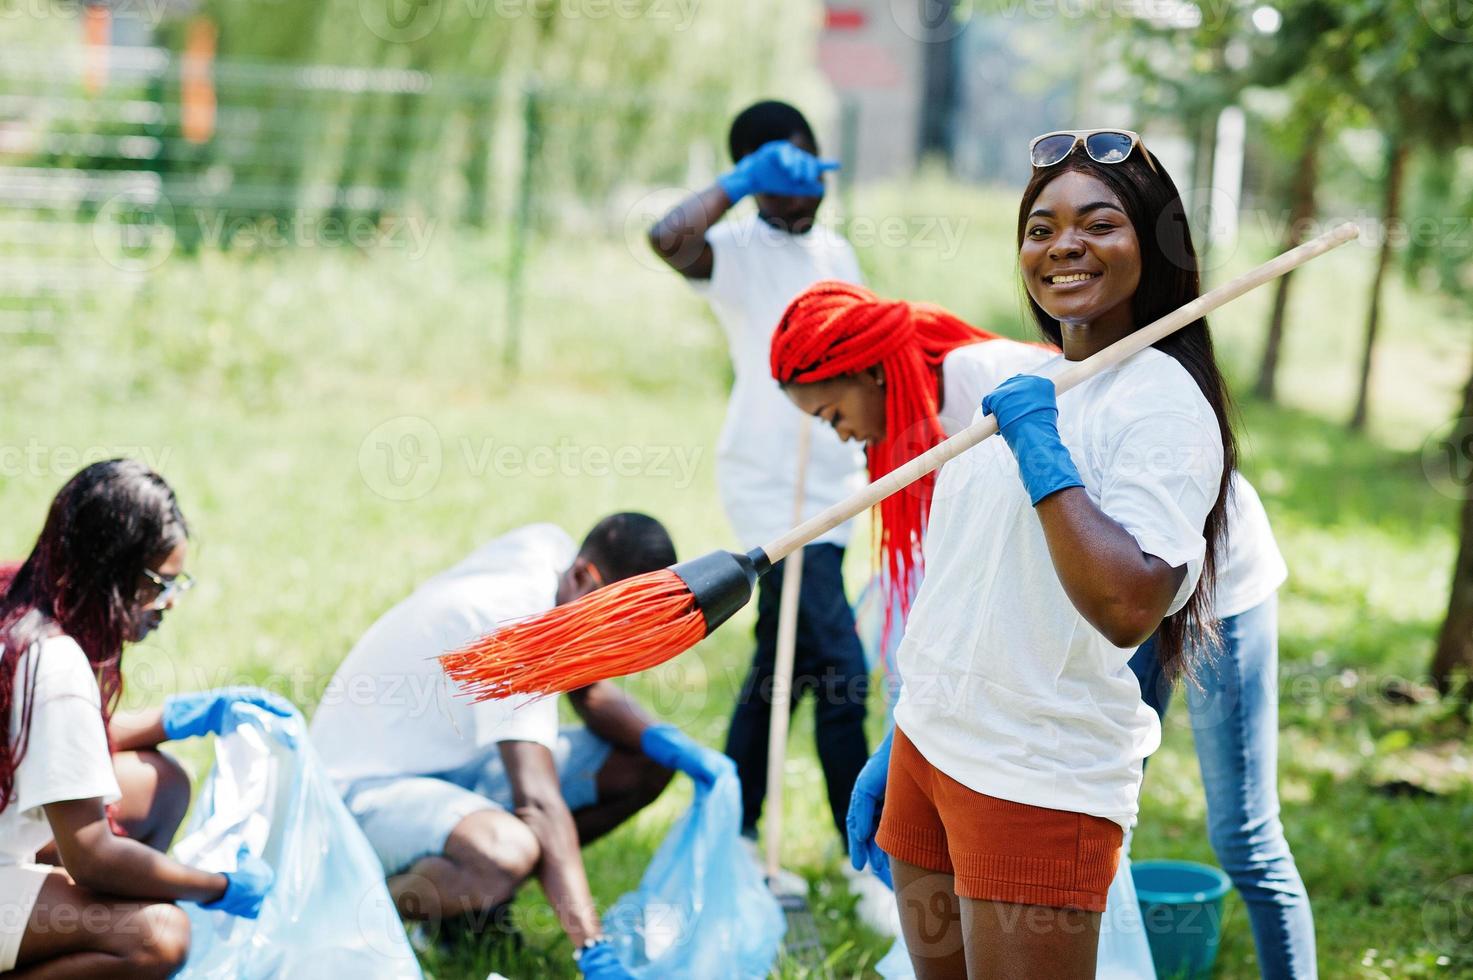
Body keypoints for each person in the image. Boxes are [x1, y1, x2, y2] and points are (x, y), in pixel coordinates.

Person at [774, 282, 1315, 977]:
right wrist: (911, 730)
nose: (843, 435)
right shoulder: (915, 412)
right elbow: (971, 587)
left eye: (832, 413)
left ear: (874, 371)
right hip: (1083, 589)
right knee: (1092, 804)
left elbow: (1097, 482)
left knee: (1236, 831)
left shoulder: (988, 380)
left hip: (1188, 571)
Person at [829, 130, 1234, 978]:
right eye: (1040, 227)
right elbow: (966, 586)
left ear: (1154, 243)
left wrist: (1042, 452)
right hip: (930, 752)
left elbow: (1128, 606)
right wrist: (902, 732)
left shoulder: (1160, 402)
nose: (1065, 246)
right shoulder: (1032, 381)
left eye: (1099, 224)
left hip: (1032, 776)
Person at [309, 514, 725, 980]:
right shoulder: (510, 624)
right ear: (585, 577)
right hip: (357, 792)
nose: (616, 644)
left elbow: (585, 689)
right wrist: (592, 950)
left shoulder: (549, 551)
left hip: (447, 763)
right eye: (616, 624)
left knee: (641, 763)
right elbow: (538, 803)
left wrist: (666, 744)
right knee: (507, 848)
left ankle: (470, 909)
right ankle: (342, 919)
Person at [646, 99, 872, 857]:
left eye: (811, 170)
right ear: (757, 183)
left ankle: (732, 827)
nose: (804, 194)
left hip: (837, 480)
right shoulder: (734, 251)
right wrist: (741, 180)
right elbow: (666, 237)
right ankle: (865, 852)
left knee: (787, 660)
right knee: (842, 667)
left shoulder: (836, 251)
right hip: (771, 485)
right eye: (785, 178)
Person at [0, 459, 285, 978]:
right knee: (159, 936)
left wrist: (174, 719)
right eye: (158, 584)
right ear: (111, 569)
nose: (168, 604)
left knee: (161, 783)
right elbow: (91, 855)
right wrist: (215, 885)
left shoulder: (18, 595)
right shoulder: (55, 660)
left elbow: (51, 740)